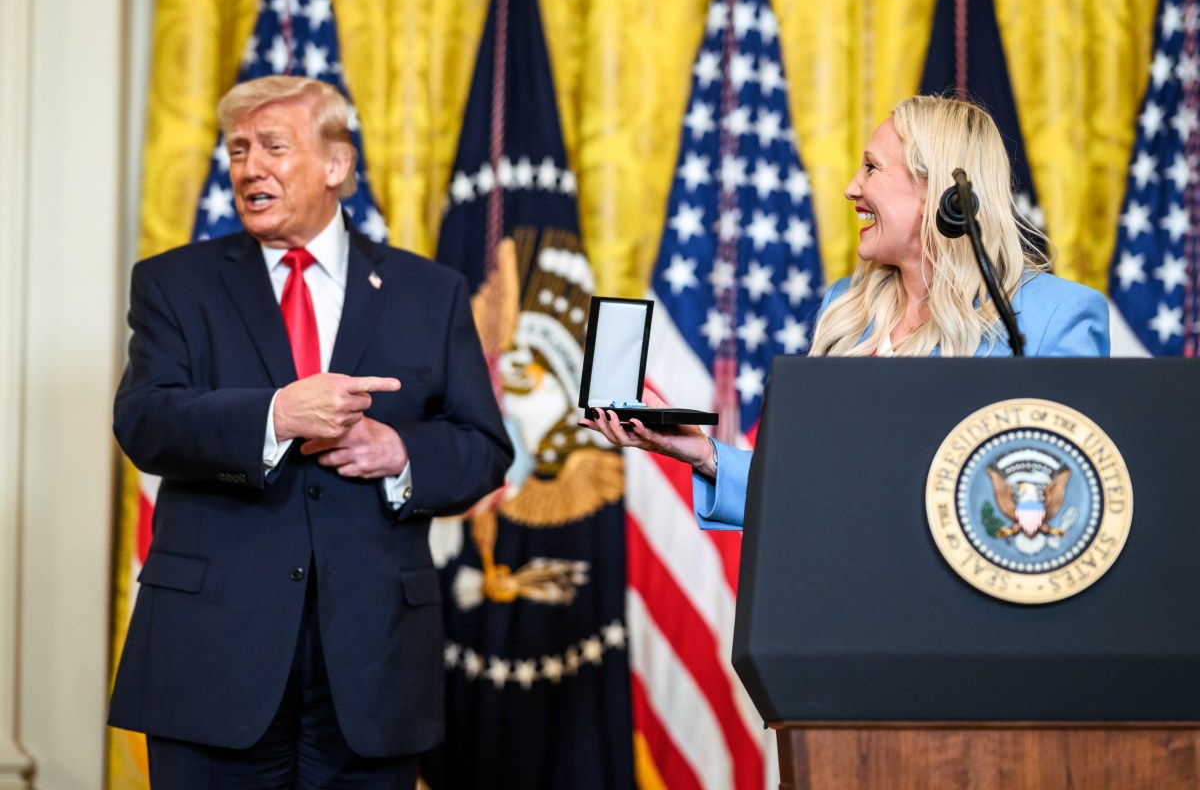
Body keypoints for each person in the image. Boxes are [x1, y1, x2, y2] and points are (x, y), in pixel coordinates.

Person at [109, 75, 513, 787]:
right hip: (212, 662)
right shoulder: (175, 284)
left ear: (336, 167)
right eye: (237, 150)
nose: (249, 167)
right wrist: (276, 417)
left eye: (272, 146)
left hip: (372, 664)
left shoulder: (430, 293)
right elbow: (145, 421)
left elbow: (483, 448)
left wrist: (399, 453)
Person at [581, 94, 1109, 531]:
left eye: (873, 168)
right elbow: (810, 489)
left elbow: (1073, 506)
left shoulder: (1055, 317)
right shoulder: (847, 309)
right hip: (838, 614)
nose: (851, 188)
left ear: (939, 192)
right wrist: (703, 454)